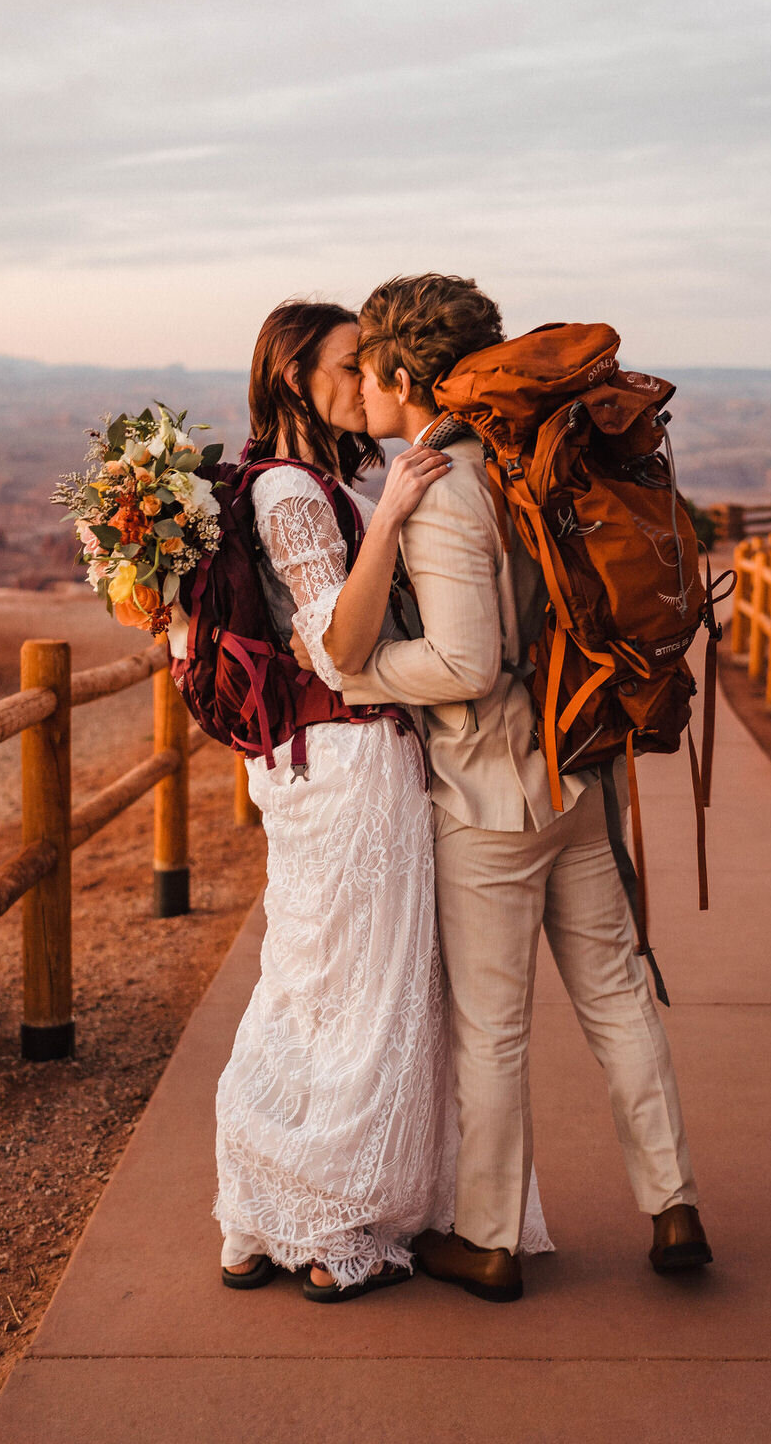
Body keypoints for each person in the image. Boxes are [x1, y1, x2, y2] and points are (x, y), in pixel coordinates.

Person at [336, 273, 711, 1301]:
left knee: (492, 1032)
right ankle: (671, 1201)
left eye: (367, 370)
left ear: (403, 374)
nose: (361, 390)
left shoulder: (442, 487)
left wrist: (353, 670)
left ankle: (489, 1239)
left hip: (489, 802)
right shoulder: (527, 459)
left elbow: (463, 663)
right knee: (619, 998)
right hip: (573, 775)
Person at [201, 299, 551, 1303]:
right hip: (352, 766)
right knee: (354, 990)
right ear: (292, 377)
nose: (370, 381)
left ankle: (269, 1211)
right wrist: (392, 515)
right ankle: (333, 1226)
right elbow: (333, 652)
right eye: (350, 365)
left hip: (325, 767)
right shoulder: (293, 497)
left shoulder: (314, 482)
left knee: (316, 980)